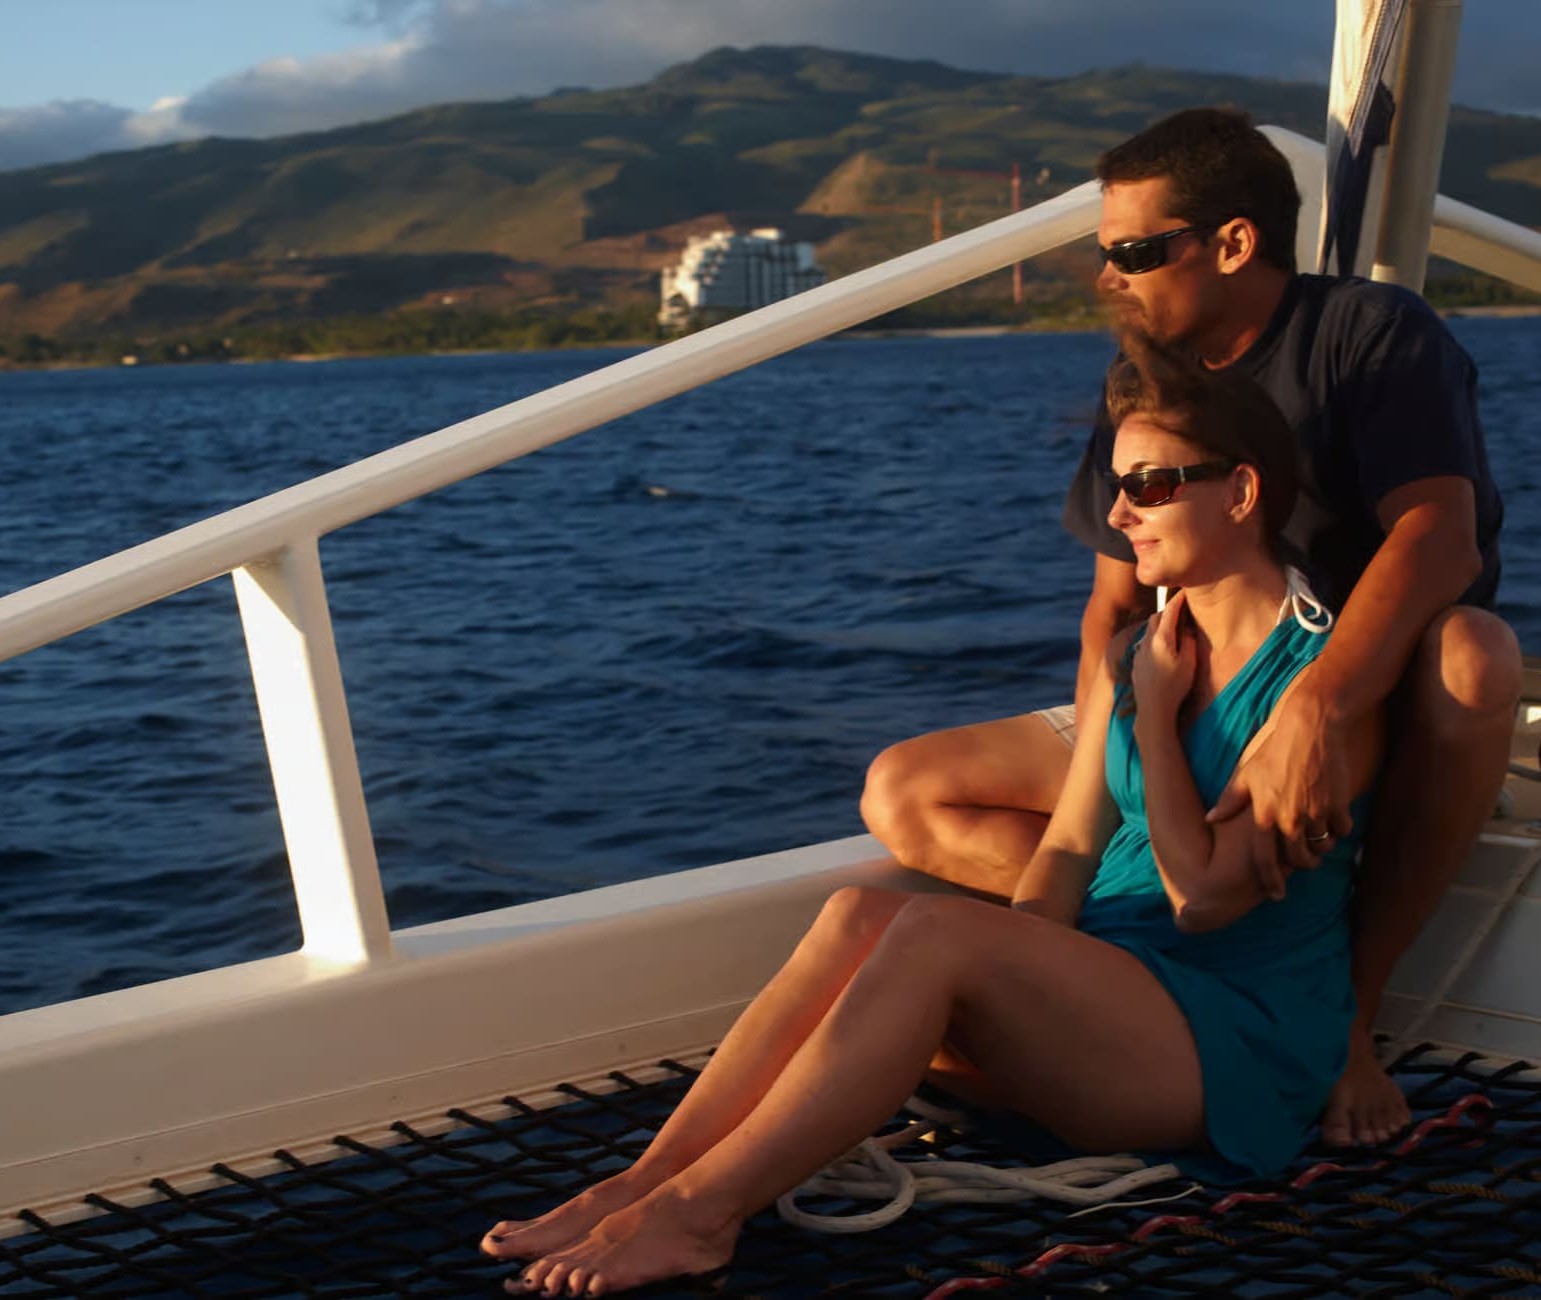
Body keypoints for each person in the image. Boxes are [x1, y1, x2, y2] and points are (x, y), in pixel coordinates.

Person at [480, 347, 1384, 1297]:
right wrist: (1024, 977)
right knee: (857, 916)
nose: (1118, 515)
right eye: (1115, 487)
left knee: (937, 934)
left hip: (1228, 1045)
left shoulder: (1320, 694)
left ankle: (698, 1217)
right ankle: (646, 1181)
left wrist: (1154, 723)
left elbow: (1202, 898)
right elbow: (1070, 844)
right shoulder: (1143, 649)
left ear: (1240, 492)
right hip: (1114, 996)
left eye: (1148, 486)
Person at [859, 107, 1521, 1149]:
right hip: (1195, 699)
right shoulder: (1147, 382)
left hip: (1351, 695)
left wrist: (1315, 707)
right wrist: (1118, 759)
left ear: (1232, 243)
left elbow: (1438, 538)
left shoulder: (1369, 335)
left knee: (1475, 658)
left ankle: (1346, 1013)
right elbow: (1114, 605)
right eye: (1103, 253)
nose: (1106, 277)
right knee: (903, 791)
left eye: (1132, 252)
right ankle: (1131, 969)